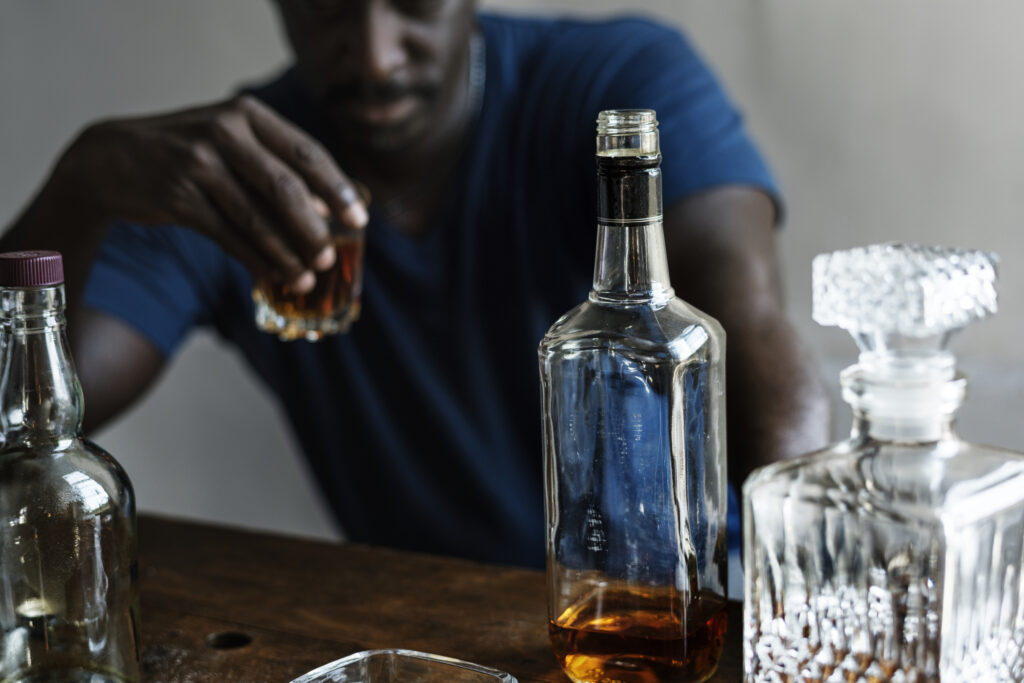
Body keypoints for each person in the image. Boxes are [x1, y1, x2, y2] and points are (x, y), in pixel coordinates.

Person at [1, 0, 828, 567]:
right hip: (429, 634)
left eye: (413, 3)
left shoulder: (619, 83)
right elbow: (20, 418)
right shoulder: (223, 177)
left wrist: (801, 581)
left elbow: (747, 337)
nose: (374, 55)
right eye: (329, 4)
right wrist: (80, 186)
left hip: (671, 611)